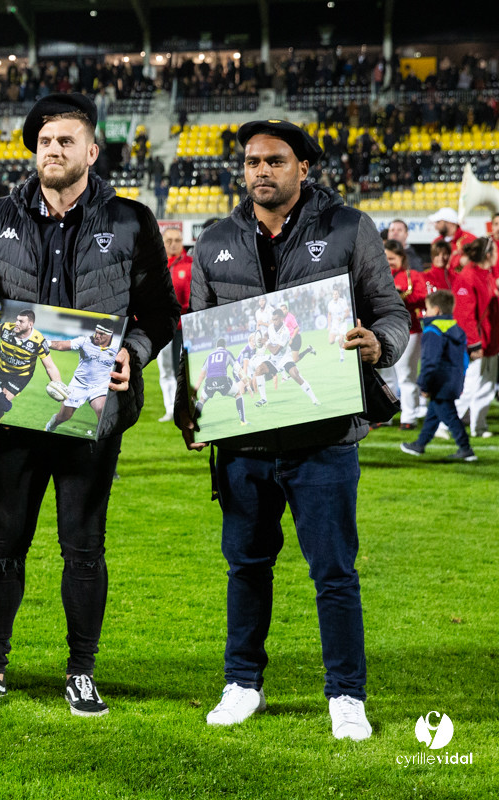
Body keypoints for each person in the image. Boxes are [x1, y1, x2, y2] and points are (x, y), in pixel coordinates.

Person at [176, 118, 408, 741]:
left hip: (325, 436)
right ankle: (241, 682)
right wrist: (192, 408)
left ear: (303, 168)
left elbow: (391, 312)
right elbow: (198, 336)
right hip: (245, 440)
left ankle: (346, 695)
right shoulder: (215, 238)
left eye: (275, 160)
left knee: (334, 571)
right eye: (252, 161)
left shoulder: (348, 228)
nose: (261, 171)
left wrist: (377, 344)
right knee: (246, 566)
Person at [0, 93, 178, 716]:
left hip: (95, 411)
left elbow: (161, 311)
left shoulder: (131, 220)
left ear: (92, 150)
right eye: (46, 141)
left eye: (67, 140)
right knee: (4, 543)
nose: (55, 149)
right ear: (35, 150)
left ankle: (81, 671)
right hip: (11, 411)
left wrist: (132, 349)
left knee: (83, 546)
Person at [400, 291, 475, 461]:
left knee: (449, 415)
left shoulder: (433, 331)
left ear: (437, 310)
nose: (425, 313)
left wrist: (425, 385)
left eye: (427, 309)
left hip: (439, 382)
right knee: (434, 414)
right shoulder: (457, 329)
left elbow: (429, 362)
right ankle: (420, 445)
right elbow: (464, 358)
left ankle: (466, 449)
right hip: (454, 379)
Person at [449, 236, 499, 438]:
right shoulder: (468, 276)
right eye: (495, 251)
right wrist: (474, 343)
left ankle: (479, 426)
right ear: (488, 255)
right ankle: (445, 426)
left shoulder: (485, 275)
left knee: (486, 386)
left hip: (491, 341)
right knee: (468, 387)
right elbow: (464, 316)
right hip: (477, 343)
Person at [380, 239, 427, 429]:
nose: (388, 261)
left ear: (401, 257)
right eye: (385, 258)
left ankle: (409, 417)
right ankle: (385, 416)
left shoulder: (413, 276)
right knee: (385, 377)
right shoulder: (379, 275)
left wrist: (402, 295)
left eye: (392, 258)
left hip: (410, 331)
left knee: (406, 376)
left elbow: (424, 298)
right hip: (383, 330)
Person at [44, 321, 119, 432]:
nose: (97, 336)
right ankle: (51, 425)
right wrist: (46, 343)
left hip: (99, 386)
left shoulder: (117, 347)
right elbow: (60, 346)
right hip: (78, 385)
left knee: (103, 410)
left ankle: (100, 440)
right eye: (96, 332)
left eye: (101, 334)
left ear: (110, 334)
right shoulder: (84, 341)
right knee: (63, 417)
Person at [157, 227, 191, 421]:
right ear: (162, 242)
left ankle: (183, 406)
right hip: (163, 326)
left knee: (183, 369)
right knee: (166, 368)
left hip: (184, 326)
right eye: (169, 240)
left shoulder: (191, 265)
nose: (173, 244)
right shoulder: (156, 265)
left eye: (177, 240)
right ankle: (170, 408)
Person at [193, 338, 248, 424]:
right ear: (225, 346)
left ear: (216, 346)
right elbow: (239, 370)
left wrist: (194, 392)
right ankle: (243, 421)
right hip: (222, 380)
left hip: (210, 382)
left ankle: (193, 421)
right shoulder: (227, 353)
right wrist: (246, 383)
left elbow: (201, 376)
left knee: (202, 400)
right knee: (238, 394)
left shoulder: (209, 355)